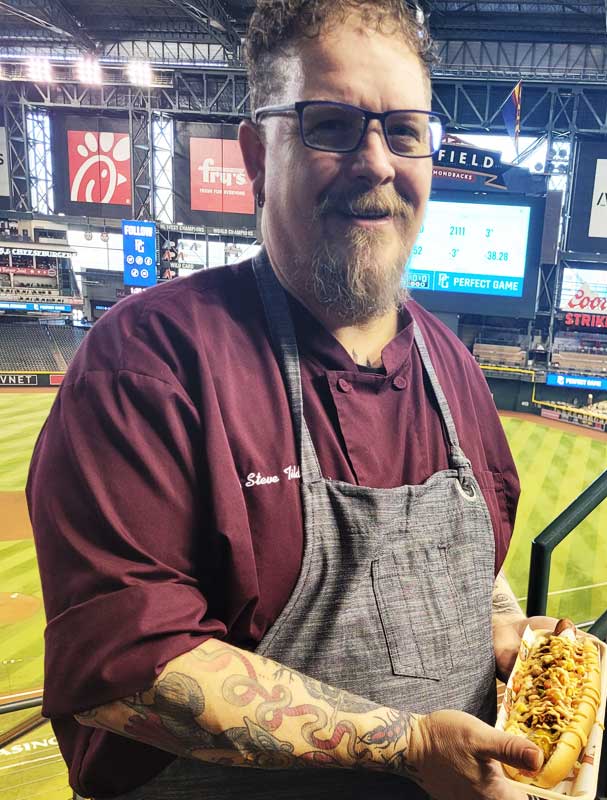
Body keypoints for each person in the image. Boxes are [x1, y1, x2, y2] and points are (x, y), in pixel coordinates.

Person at [27, 2, 554, 798]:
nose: (377, 162)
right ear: (255, 155)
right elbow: (127, 673)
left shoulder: (457, 373)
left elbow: (478, 569)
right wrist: (407, 745)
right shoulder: (150, 361)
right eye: (332, 126)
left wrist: (501, 633)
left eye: (404, 131)